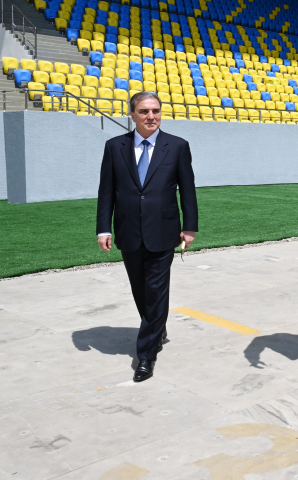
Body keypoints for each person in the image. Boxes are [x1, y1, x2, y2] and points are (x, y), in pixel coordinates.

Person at [96, 91, 198, 383]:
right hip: (128, 230)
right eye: (144, 111)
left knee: (156, 290)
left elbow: (187, 189)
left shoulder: (177, 146)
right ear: (132, 115)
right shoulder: (114, 147)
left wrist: (190, 227)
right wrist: (104, 228)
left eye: (155, 111)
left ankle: (146, 355)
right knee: (140, 289)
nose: (151, 116)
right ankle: (156, 326)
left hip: (163, 231)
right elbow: (106, 190)